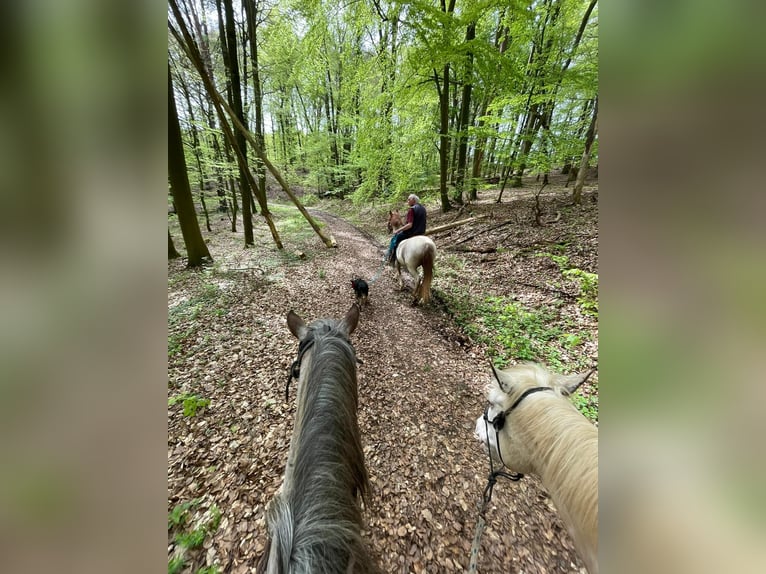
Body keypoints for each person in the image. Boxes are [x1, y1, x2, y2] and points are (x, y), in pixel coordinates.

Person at [387, 194, 427, 265]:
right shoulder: (423, 208)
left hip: (411, 233)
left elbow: (409, 225)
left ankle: (391, 258)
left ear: (413, 200)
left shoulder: (412, 209)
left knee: (394, 239)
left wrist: (398, 230)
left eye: (409, 199)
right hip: (422, 233)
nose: (407, 201)